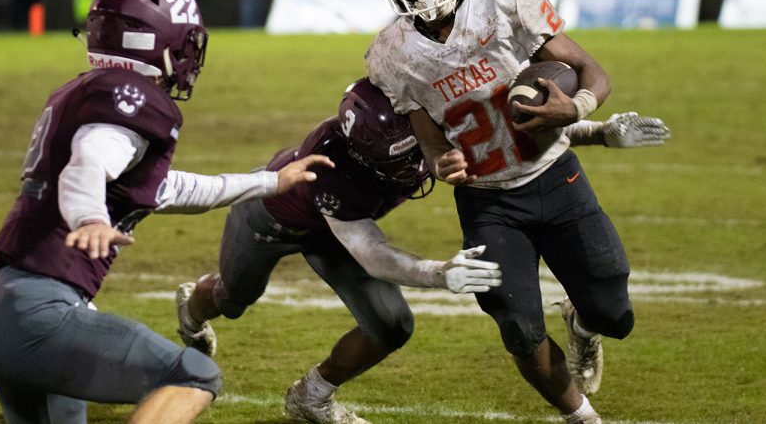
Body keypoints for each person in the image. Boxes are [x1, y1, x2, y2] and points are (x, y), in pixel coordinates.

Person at [174, 77, 669, 424]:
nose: (428, 149)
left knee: (391, 325)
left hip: (345, 229)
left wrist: (601, 133)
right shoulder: (334, 167)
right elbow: (370, 251)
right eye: (412, 149)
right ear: (370, 152)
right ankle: (192, 313)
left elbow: (508, 137)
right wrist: (439, 272)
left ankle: (312, 397)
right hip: (276, 220)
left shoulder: (422, 125)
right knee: (233, 298)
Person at [0, 0, 332, 424]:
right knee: (195, 375)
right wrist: (89, 220)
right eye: (182, 44)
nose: (187, 56)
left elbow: (172, 188)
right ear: (150, 42)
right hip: (41, 317)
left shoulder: (82, 92)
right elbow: (88, 162)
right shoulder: (129, 101)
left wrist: (269, 182)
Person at [365, 0, 640, 424]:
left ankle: (583, 324)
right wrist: (439, 161)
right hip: (488, 201)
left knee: (614, 315)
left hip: (557, 178)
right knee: (518, 328)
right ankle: (583, 418)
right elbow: (428, 139)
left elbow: (590, 70)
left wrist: (576, 107)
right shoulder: (391, 52)